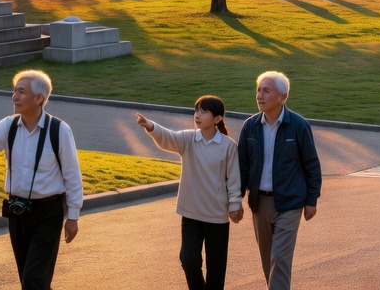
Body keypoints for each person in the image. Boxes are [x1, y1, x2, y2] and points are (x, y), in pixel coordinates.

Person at [0, 71, 85, 290]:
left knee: (33, 280)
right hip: (17, 212)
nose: (14, 97)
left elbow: (72, 177)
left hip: (48, 213)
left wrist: (73, 217)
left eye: (21, 91)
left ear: (39, 99)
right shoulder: (8, 125)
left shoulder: (59, 130)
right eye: (14, 91)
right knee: (28, 278)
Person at [136, 96, 243, 290]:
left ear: (217, 119)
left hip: (217, 217)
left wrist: (235, 204)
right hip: (191, 215)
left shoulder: (228, 146)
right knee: (189, 261)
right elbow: (168, 137)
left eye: (203, 111)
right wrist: (150, 126)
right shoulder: (188, 139)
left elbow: (234, 179)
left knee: (216, 268)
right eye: (196, 111)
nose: (197, 115)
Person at [237, 72, 321, 290]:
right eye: (258, 90)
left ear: (283, 97)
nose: (259, 95)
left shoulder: (299, 126)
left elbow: (311, 166)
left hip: (290, 203)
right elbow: (242, 167)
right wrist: (235, 199)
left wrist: (311, 200)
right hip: (260, 203)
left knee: (280, 258)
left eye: (266, 91)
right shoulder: (250, 127)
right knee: (268, 259)